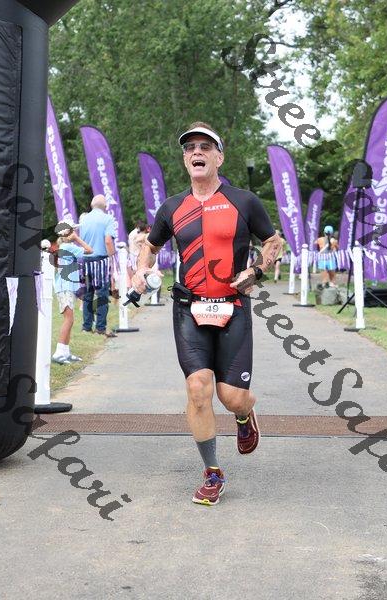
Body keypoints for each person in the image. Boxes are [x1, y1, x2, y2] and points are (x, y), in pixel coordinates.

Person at [132, 122, 281, 506]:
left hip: (232, 307)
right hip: (189, 308)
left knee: (232, 397)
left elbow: (273, 241)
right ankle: (213, 472)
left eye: (204, 146)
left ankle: (245, 415)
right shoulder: (172, 207)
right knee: (198, 389)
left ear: (219, 158)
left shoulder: (244, 201)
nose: (196, 152)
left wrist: (256, 271)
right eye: (189, 148)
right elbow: (151, 246)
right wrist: (141, 269)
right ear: (186, 160)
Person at [52, 220, 93, 364]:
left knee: (70, 319)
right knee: (68, 319)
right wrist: (77, 239)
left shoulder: (66, 246)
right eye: (73, 230)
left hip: (66, 287)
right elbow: (89, 250)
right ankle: (58, 353)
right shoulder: (68, 246)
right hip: (65, 288)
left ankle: (65, 352)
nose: (76, 232)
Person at [79, 194, 117, 337]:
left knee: (88, 294)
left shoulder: (83, 219)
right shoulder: (107, 219)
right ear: (105, 206)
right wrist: (113, 256)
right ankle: (100, 328)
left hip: (85, 260)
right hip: (100, 260)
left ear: (91, 204)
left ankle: (86, 327)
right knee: (102, 295)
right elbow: (108, 240)